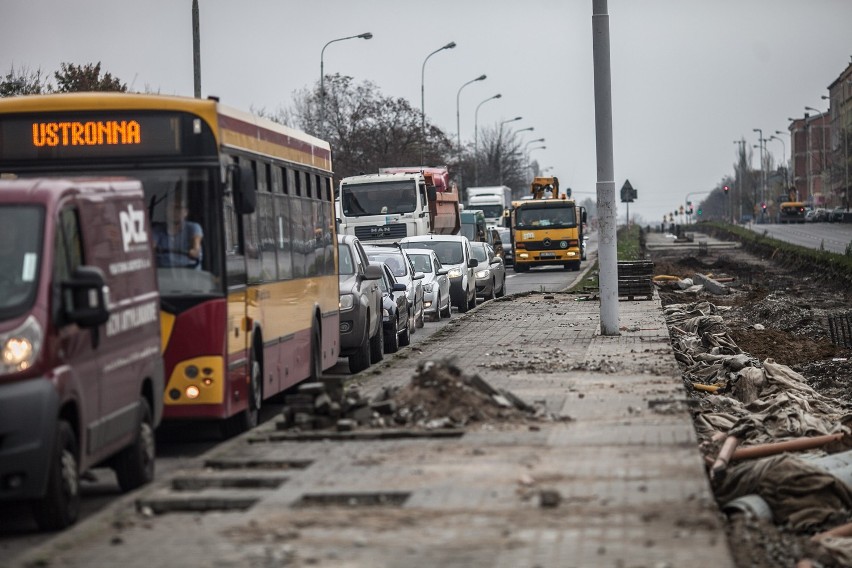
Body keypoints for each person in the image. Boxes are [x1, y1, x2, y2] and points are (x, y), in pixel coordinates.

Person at [153, 198, 203, 268]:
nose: (174, 211)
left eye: (178, 208)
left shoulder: (193, 227)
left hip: (189, 271)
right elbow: (151, 246)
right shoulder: (158, 229)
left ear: (186, 212)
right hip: (165, 272)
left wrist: (195, 251)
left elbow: (196, 244)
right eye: (171, 208)